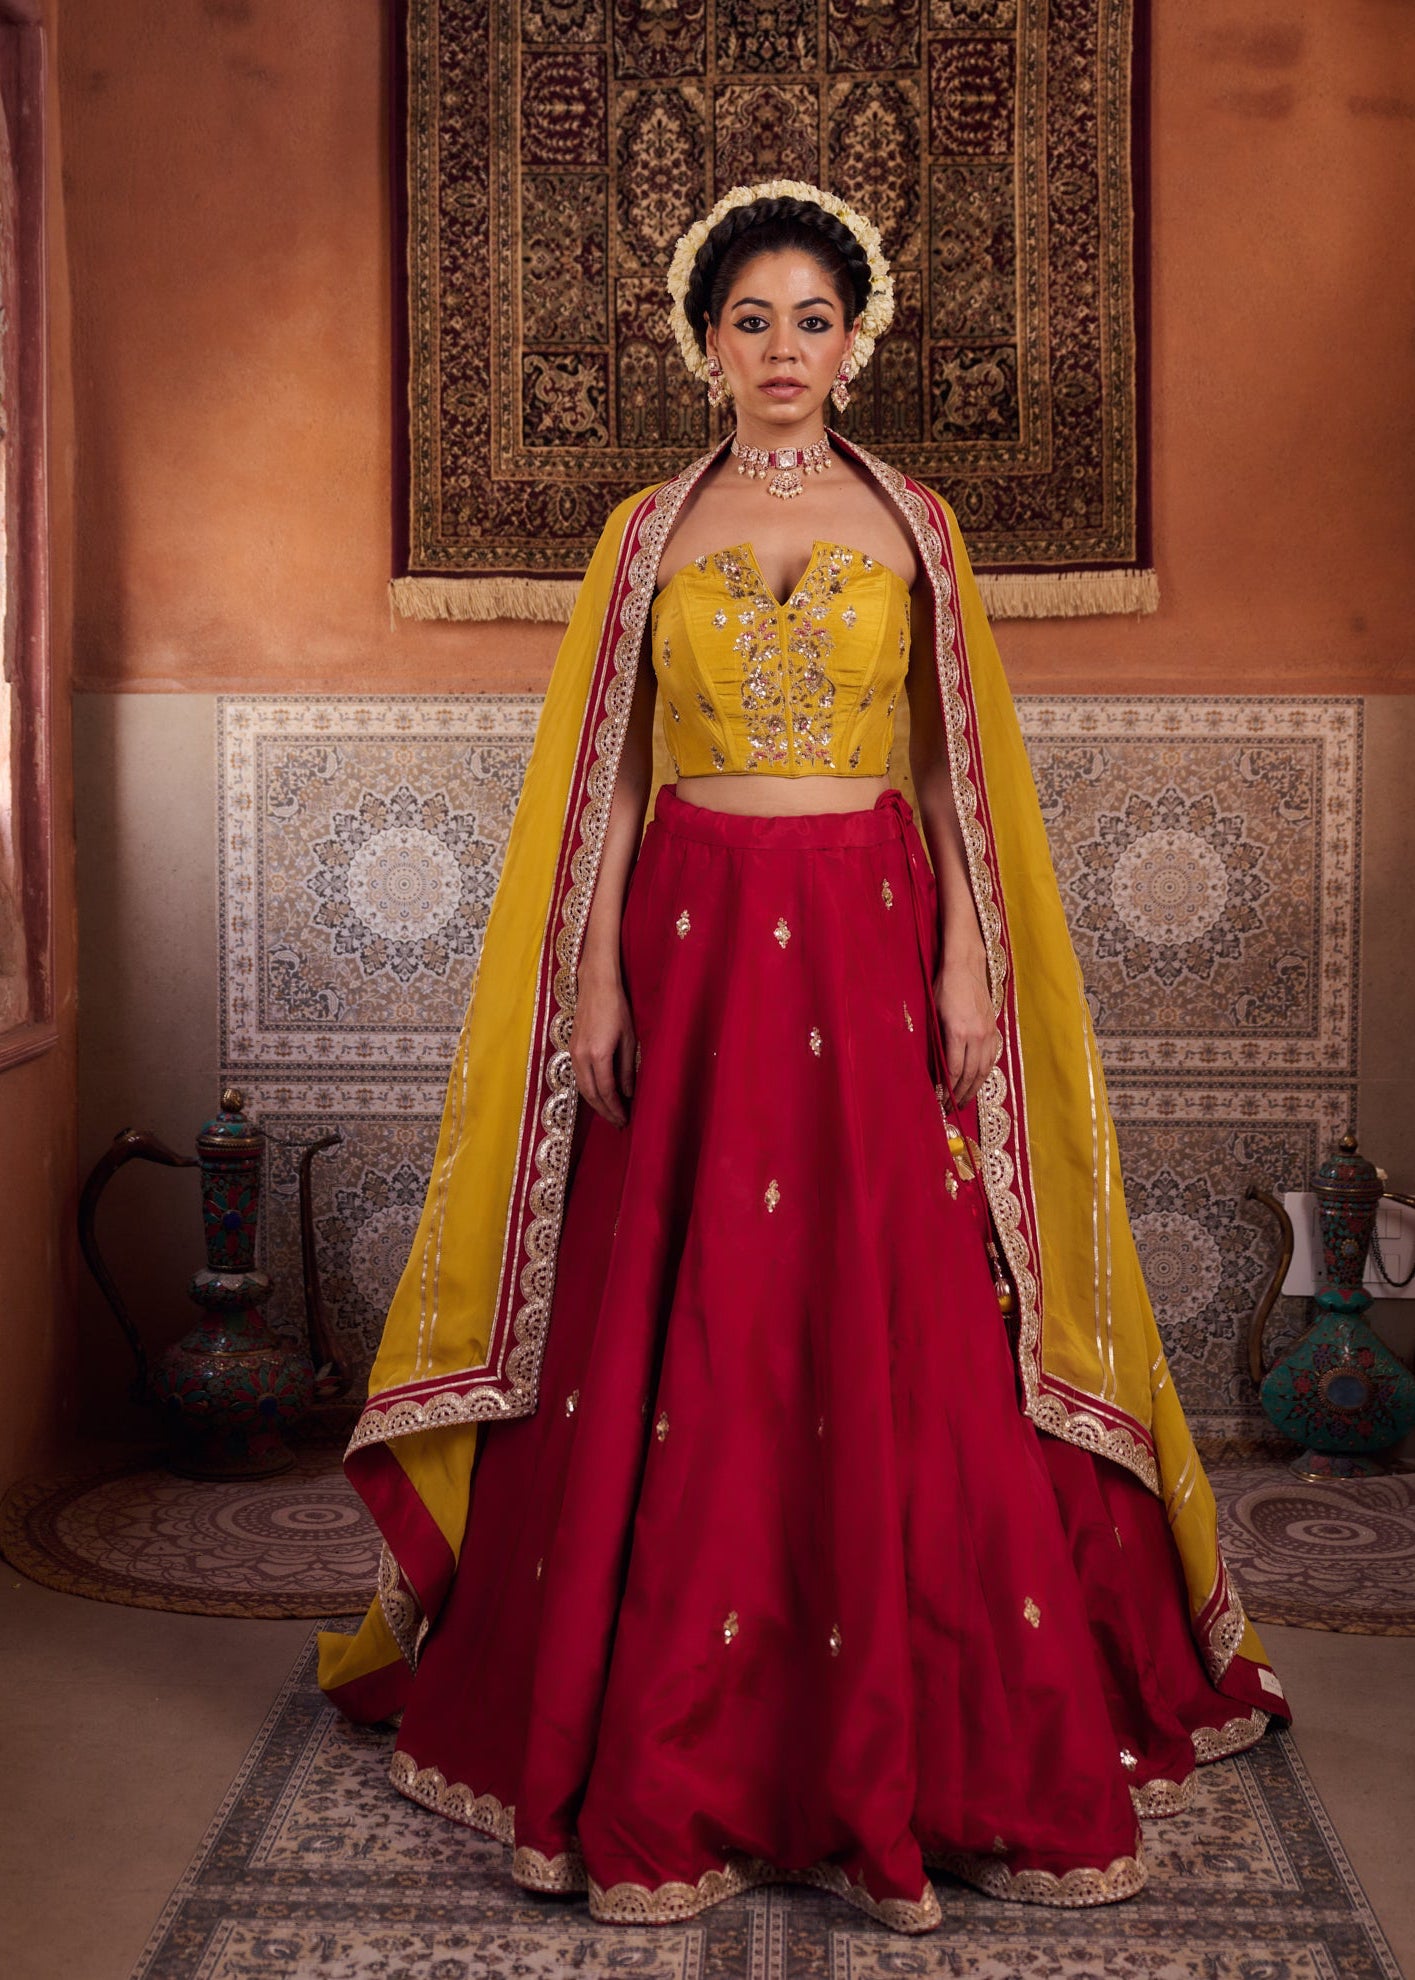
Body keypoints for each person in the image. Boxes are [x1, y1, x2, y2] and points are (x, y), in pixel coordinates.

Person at [319, 181, 1289, 1934]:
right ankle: (673, 1742)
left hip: (864, 927)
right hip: (687, 940)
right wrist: (596, 983)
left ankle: (907, 1740)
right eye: (751, 320)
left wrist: (971, 962)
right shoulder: (643, 533)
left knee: (874, 1296)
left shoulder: (919, 523)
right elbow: (611, 780)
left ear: (858, 339)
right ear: (706, 342)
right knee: (685, 1316)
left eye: (811, 321)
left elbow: (951, 777)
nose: (782, 350)